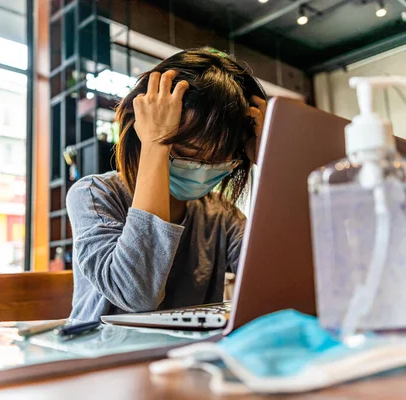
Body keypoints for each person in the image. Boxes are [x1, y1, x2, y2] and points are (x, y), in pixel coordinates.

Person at [67, 48, 267, 321]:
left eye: (220, 158)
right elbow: (135, 294)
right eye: (189, 153)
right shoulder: (95, 195)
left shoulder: (220, 214)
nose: (203, 168)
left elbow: (278, 277)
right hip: (104, 355)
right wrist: (156, 144)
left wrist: (271, 160)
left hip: (185, 357)